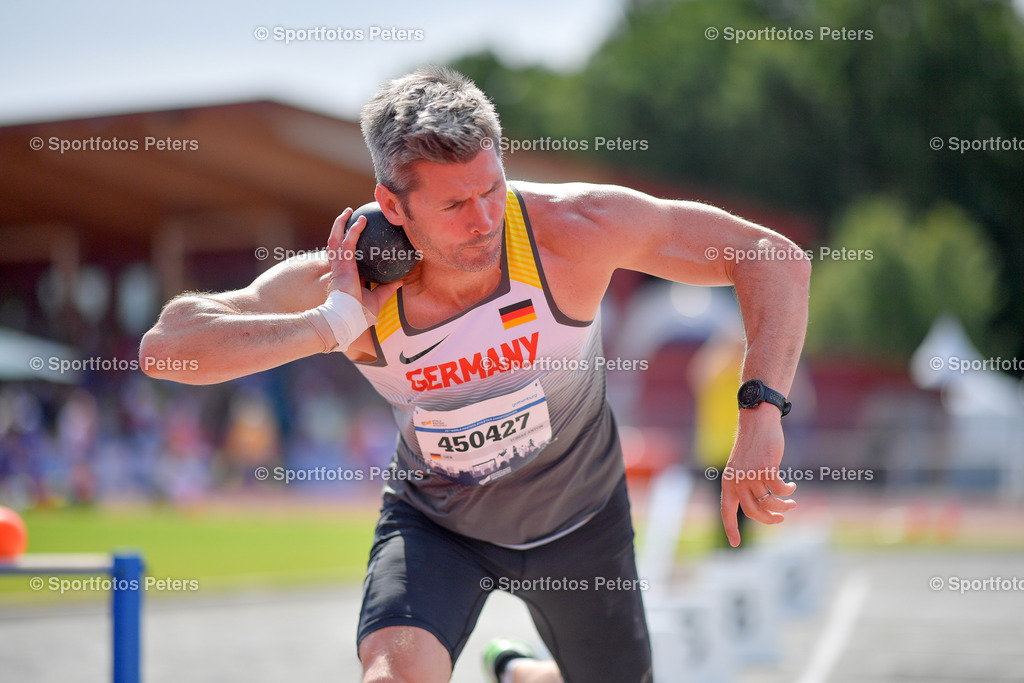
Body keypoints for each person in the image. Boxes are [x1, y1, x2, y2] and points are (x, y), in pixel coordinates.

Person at [140, 66, 810, 683]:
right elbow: (166, 346)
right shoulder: (347, 281)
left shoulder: (570, 229)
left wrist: (760, 413)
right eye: (455, 206)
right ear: (393, 206)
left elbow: (772, 258)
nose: (486, 219)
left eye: (492, 188)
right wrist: (329, 324)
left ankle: (522, 673)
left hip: (580, 519)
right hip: (437, 527)